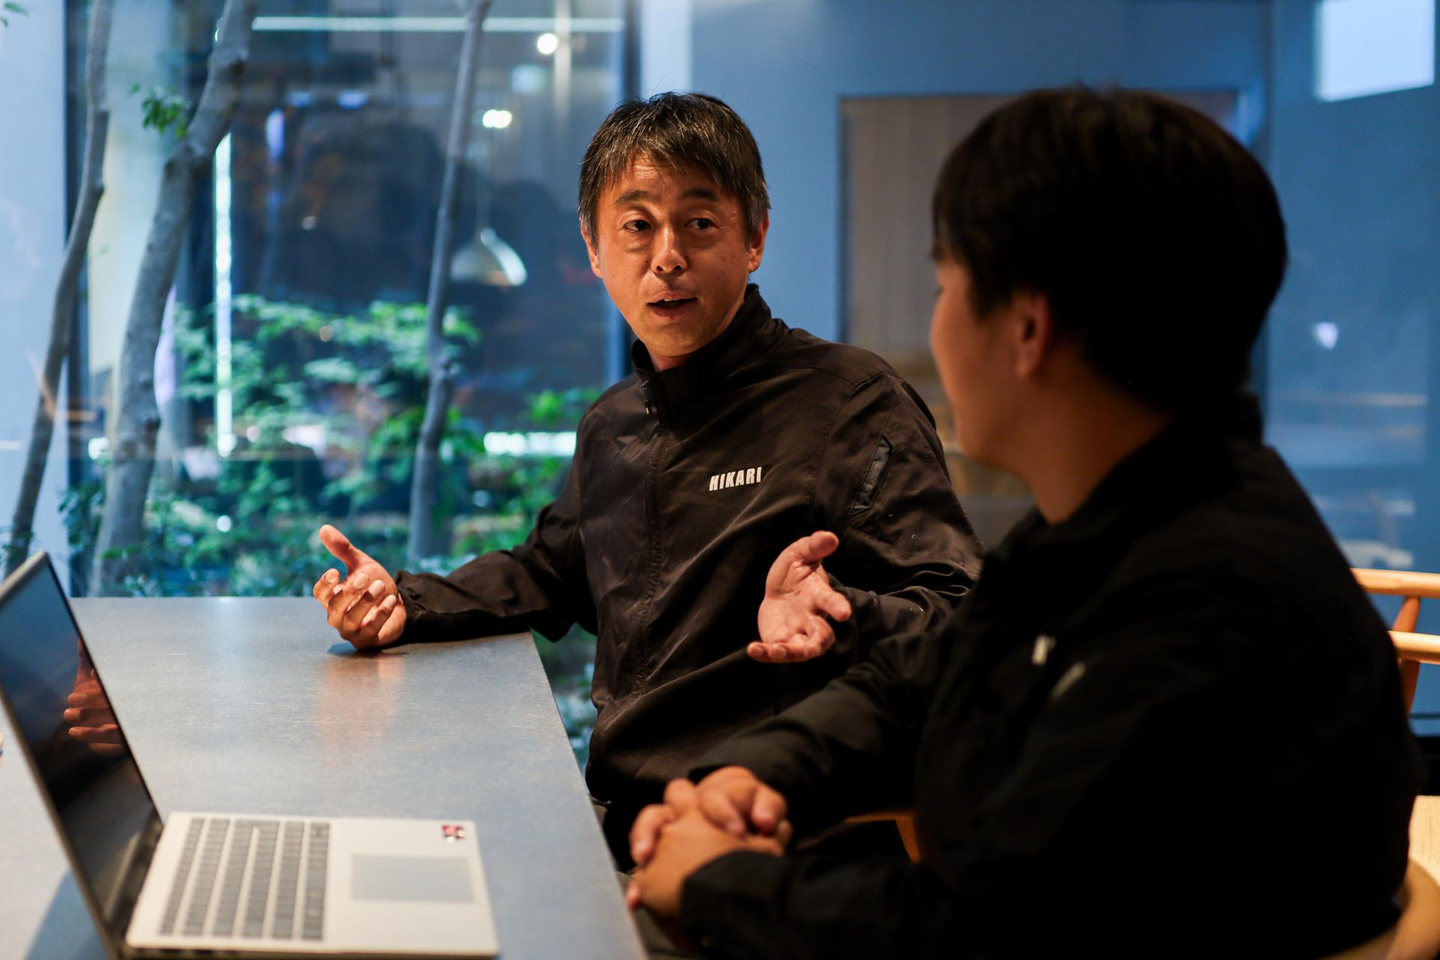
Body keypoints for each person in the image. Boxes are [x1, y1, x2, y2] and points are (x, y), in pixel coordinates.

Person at [625, 88, 1422, 958]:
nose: (936, 324)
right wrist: (759, 775)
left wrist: (714, 884)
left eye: (945, 287)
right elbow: (917, 683)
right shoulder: (1113, 527)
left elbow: (988, 925)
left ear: (1028, 327)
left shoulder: (1208, 607)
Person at [309, 92, 981, 862]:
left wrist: (842, 614)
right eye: (637, 226)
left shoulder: (850, 403)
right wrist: (404, 600)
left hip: (774, 835)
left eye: (700, 223)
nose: (667, 257)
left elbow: (962, 616)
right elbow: (549, 572)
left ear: (755, 238)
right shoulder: (615, 422)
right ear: (594, 249)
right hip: (620, 822)